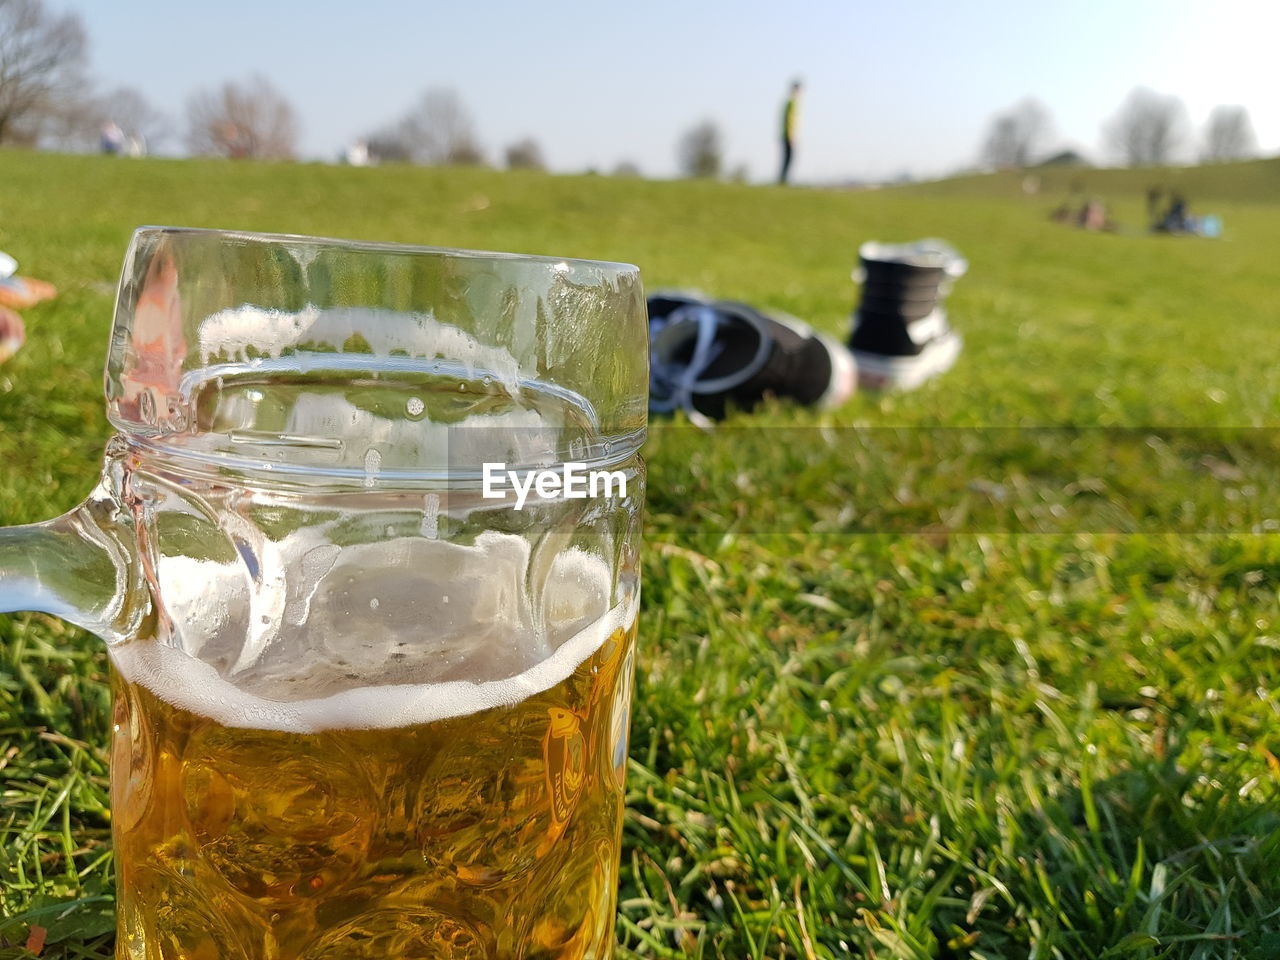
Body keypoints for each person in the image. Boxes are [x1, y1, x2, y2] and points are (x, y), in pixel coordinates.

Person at [779, 79, 802, 185]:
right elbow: (788, 120)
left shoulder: (790, 102)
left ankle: (784, 179)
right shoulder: (791, 102)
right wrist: (791, 136)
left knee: (788, 158)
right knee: (788, 158)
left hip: (787, 134)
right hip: (788, 135)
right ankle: (783, 179)